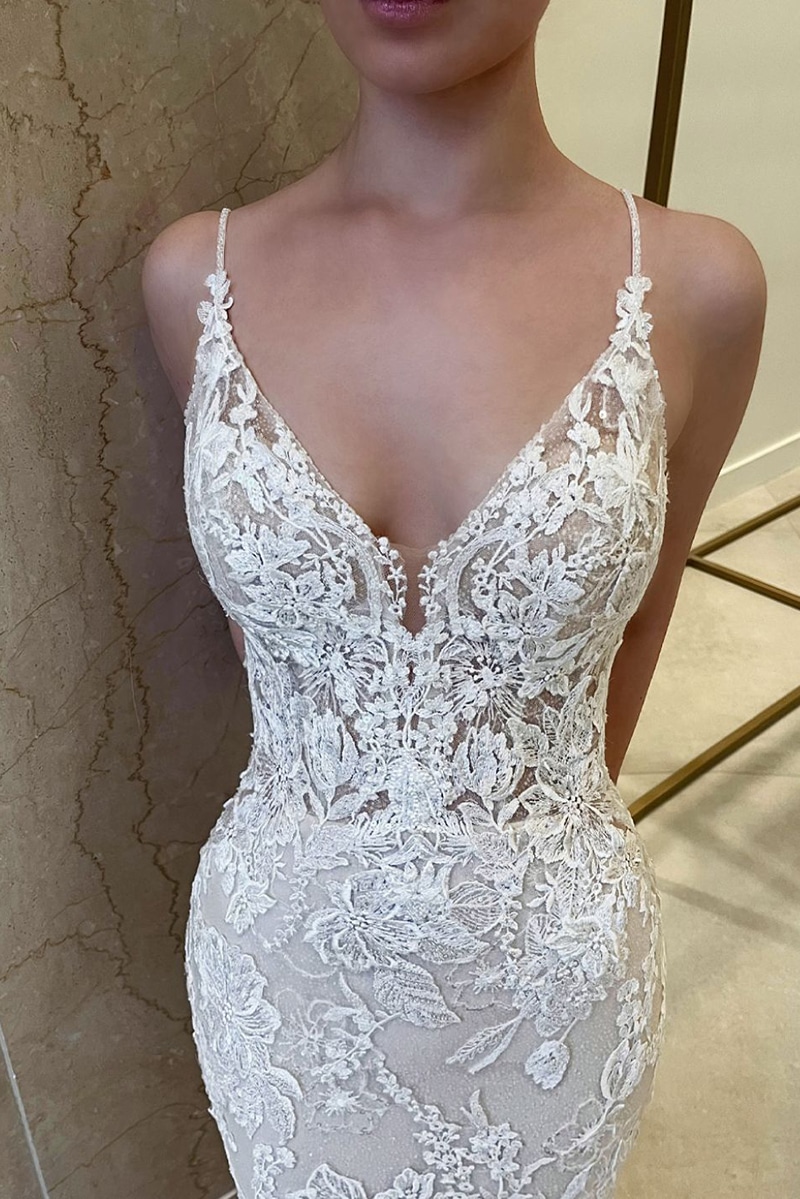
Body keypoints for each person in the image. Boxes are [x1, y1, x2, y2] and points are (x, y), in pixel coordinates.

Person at [142, 2, 767, 1196]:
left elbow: (633, 633)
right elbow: (271, 648)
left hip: (548, 985)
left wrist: (522, 870)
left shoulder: (697, 286)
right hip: (283, 987)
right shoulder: (193, 277)